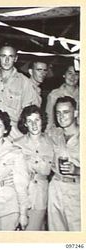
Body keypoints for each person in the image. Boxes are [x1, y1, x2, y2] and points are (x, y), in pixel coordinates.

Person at [0, 43, 40, 139]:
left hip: (15, 136)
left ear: (16, 58)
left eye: (11, 56)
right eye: (3, 56)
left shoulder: (24, 82)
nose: (7, 60)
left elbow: (31, 113)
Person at [15, 105, 53, 230]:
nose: (34, 125)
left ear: (42, 120)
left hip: (40, 194)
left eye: (37, 120)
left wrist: (30, 161)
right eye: (30, 121)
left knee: (36, 231)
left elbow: (48, 169)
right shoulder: (17, 143)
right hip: (20, 194)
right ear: (25, 124)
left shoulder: (51, 142)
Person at [47, 96, 80, 231]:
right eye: (58, 113)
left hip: (76, 190)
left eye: (66, 112)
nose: (61, 116)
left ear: (76, 113)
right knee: (56, 234)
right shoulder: (53, 134)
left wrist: (77, 170)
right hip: (55, 188)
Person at [45, 64, 79, 130]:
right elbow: (49, 120)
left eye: (76, 74)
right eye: (70, 73)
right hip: (61, 133)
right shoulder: (54, 94)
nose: (73, 77)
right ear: (64, 75)